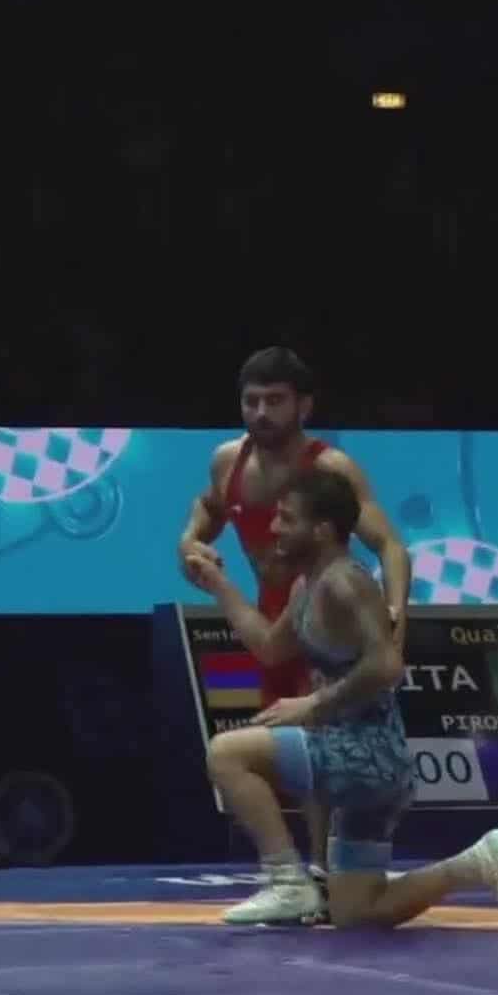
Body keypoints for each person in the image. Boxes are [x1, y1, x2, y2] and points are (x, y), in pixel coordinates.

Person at [185, 467, 498, 929]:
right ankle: (477, 862)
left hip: (364, 754)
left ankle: (287, 882)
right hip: (364, 761)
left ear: (323, 529)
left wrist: (312, 705)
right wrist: (218, 585)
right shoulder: (308, 584)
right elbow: (270, 647)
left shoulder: (346, 582)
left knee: (227, 754)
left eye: (287, 518)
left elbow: (387, 665)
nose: (274, 528)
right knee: (357, 913)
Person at [177, 347, 412, 918]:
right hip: (278, 612)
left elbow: (390, 545)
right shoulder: (228, 460)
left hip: (327, 613)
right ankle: (311, 878)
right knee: (288, 754)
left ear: (304, 405)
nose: (261, 413)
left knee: (313, 742)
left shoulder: (329, 468)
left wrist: (395, 616)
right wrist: (191, 541)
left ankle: (318, 874)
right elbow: (211, 507)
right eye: (251, 401)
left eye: (275, 401)